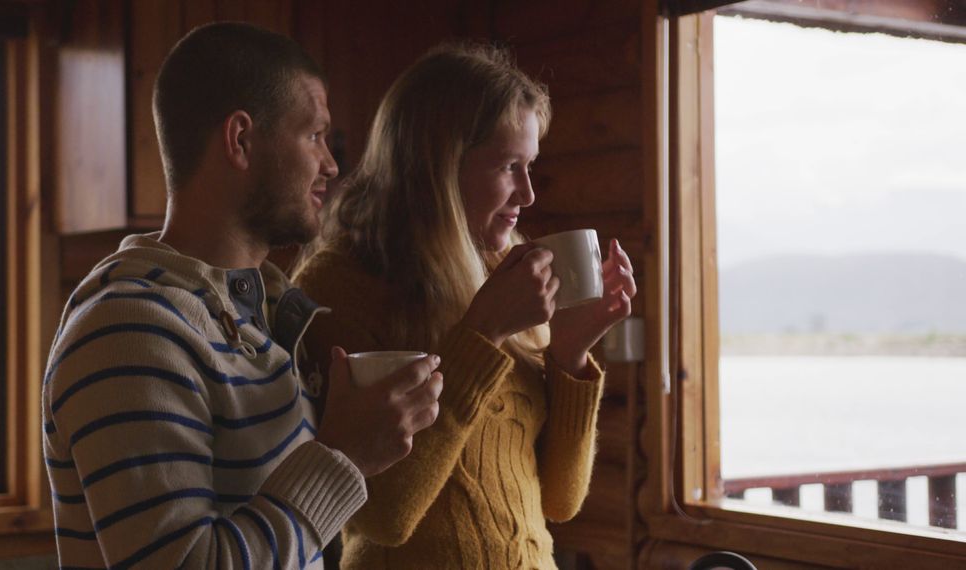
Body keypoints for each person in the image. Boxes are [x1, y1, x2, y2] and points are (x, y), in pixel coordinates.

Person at [41, 23, 443, 569]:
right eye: (315, 135)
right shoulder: (129, 331)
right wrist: (340, 455)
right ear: (241, 140)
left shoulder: (267, 317)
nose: (331, 163)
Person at [292, 42, 637, 569]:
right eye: (508, 166)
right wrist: (482, 335)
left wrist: (567, 351)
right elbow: (385, 519)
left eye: (531, 167)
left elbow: (560, 503)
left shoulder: (506, 271)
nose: (528, 195)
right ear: (436, 165)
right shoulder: (338, 286)